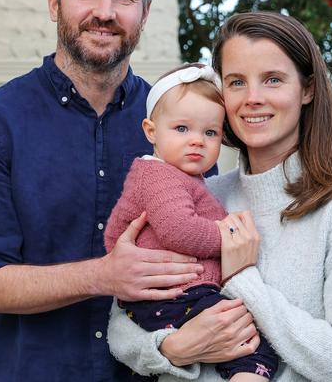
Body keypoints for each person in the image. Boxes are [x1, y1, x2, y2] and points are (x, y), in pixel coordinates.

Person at [0, 0, 210, 382]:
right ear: (55, 3)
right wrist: (104, 276)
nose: (104, 13)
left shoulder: (183, 125)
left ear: (145, 12)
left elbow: (207, 246)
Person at [107, 11, 332, 381]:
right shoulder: (201, 196)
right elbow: (121, 321)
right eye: (237, 82)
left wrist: (243, 278)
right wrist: (172, 348)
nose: (253, 99)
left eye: (273, 79)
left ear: (307, 89)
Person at [104, 63, 279, 381]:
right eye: (182, 129)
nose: (197, 140)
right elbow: (178, 230)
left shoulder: (181, 177)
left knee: (235, 341)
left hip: (172, 295)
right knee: (253, 346)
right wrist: (229, 235)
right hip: (176, 295)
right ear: (151, 131)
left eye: (210, 132)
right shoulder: (159, 176)